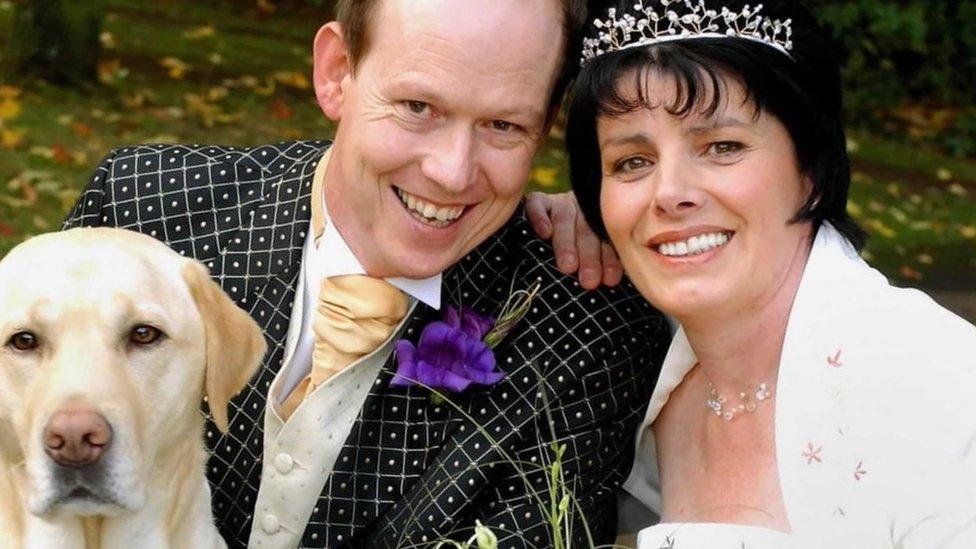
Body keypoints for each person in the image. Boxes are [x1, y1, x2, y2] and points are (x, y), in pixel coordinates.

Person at [62, 0, 673, 547]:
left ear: (545, 123)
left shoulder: (591, 327)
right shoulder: (150, 210)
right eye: (418, 107)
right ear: (336, 73)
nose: (452, 172)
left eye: (503, 125)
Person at [566, 0, 976, 546]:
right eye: (632, 162)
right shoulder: (653, 393)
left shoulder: (939, 390)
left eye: (722, 146)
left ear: (810, 167)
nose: (668, 194)